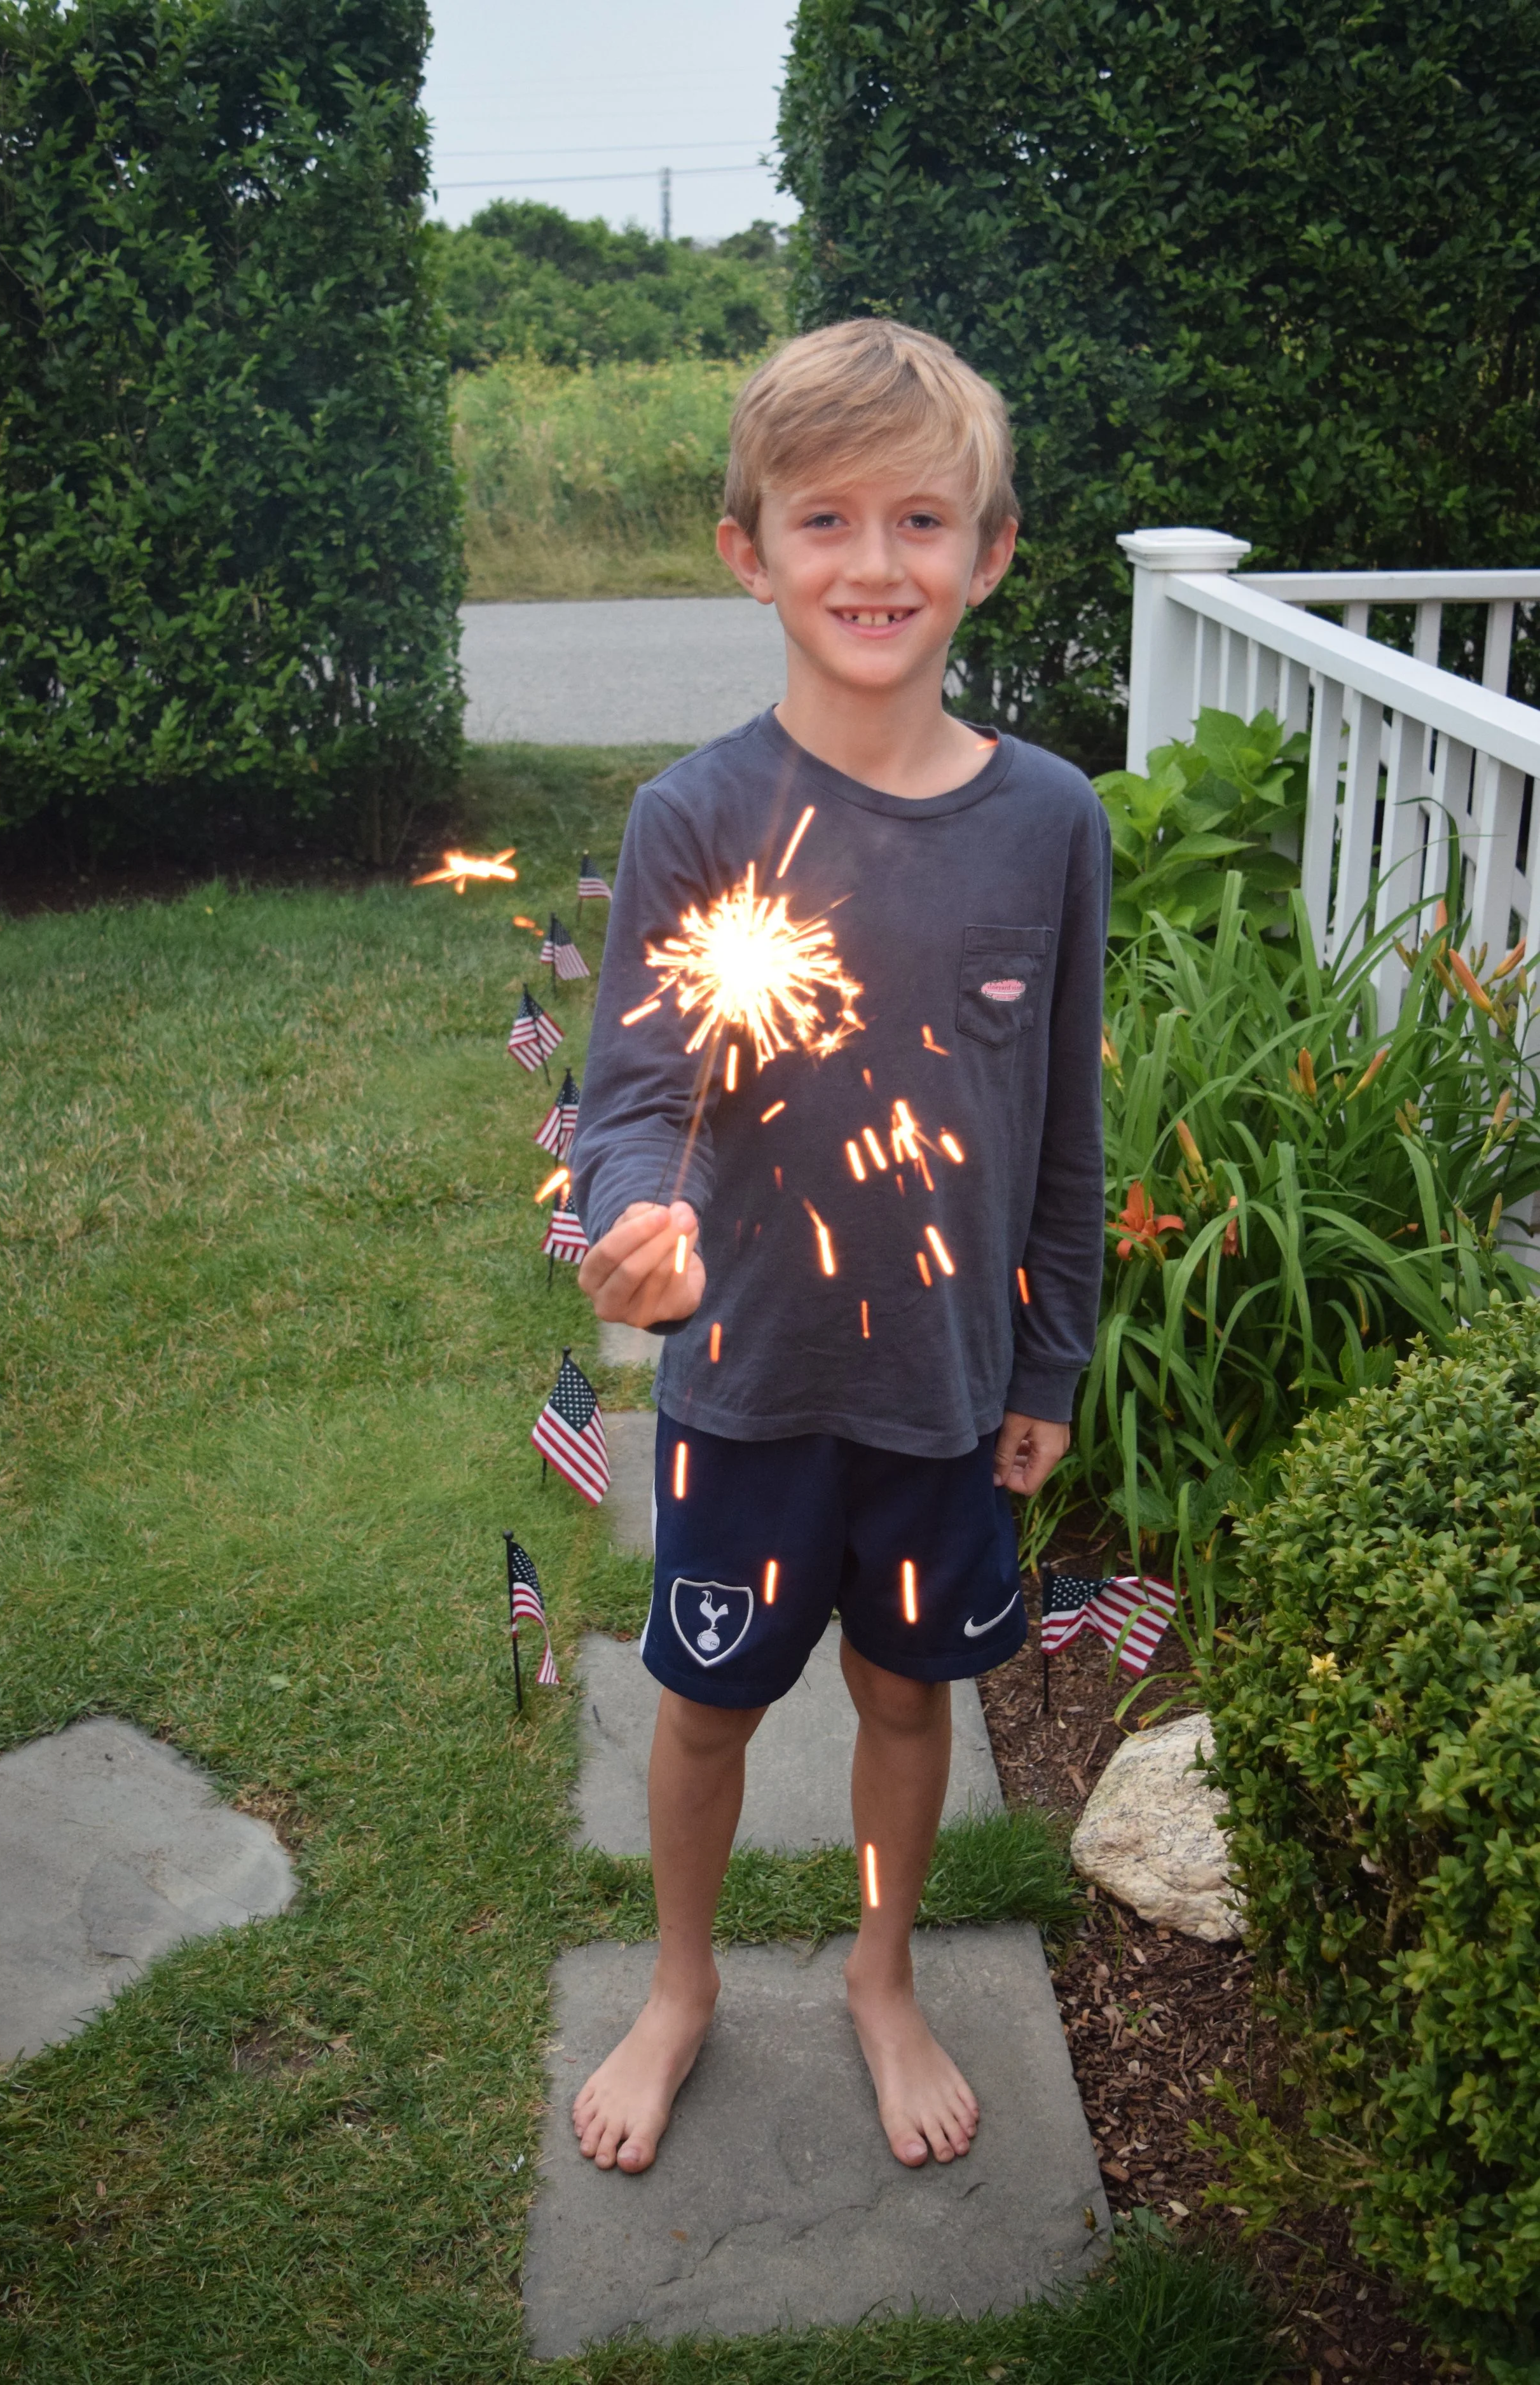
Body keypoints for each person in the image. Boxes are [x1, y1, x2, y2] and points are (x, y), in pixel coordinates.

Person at [567, 318, 1109, 2176]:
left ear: (990, 551)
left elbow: (1064, 1130)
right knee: (704, 1708)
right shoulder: (696, 818)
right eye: (824, 520)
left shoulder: (1050, 823)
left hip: (946, 1391)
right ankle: (679, 1981)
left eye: (920, 520)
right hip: (747, 1384)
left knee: (904, 1696)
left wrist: (1048, 1361)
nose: (874, 564)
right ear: (749, 550)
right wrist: (624, 1222)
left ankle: (885, 1970)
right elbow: (636, 1090)